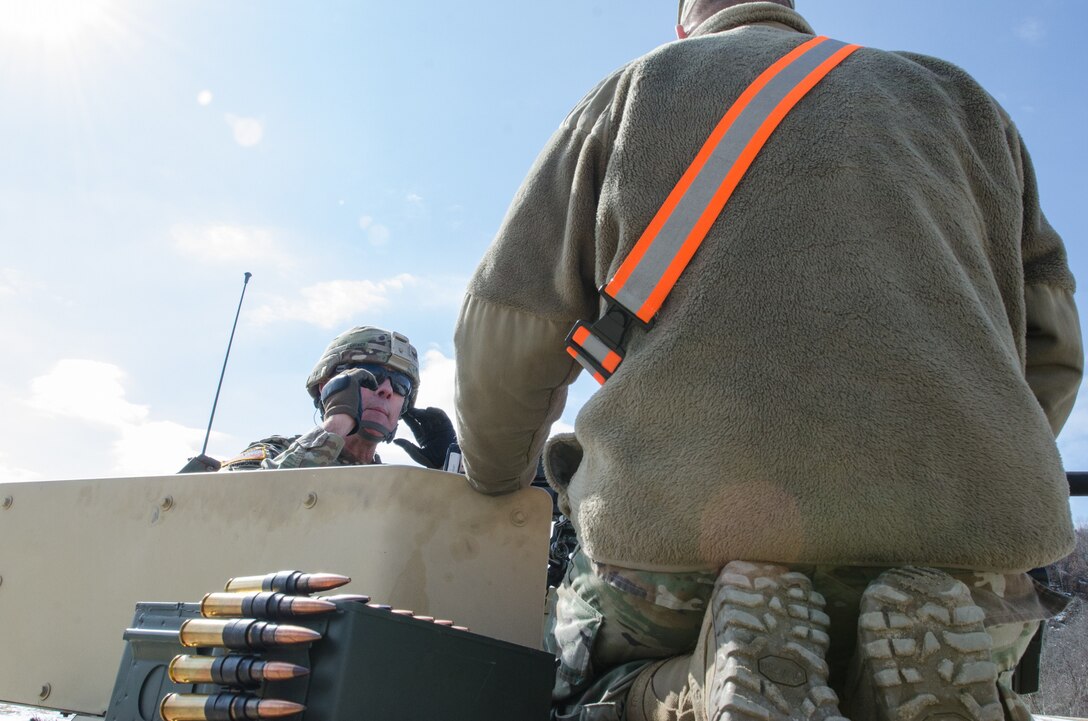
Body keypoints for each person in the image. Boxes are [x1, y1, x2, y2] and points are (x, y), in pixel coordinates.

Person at [452, 2, 1082, 720]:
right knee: (955, 622)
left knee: (570, 680)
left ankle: (689, 683)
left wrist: (497, 479)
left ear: (688, 22)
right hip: (972, 564)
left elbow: (504, 330)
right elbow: (1053, 346)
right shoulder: (961, 98)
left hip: (681, 560)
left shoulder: (635, 89)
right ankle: (909, 673)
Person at [222, 326, 456, 471]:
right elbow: (241, 510)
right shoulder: (273, 454)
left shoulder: (395, 486)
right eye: (371, 375)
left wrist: (453, 468)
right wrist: (337, 424)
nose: (385, 389)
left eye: (401, 386)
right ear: (328, 387)